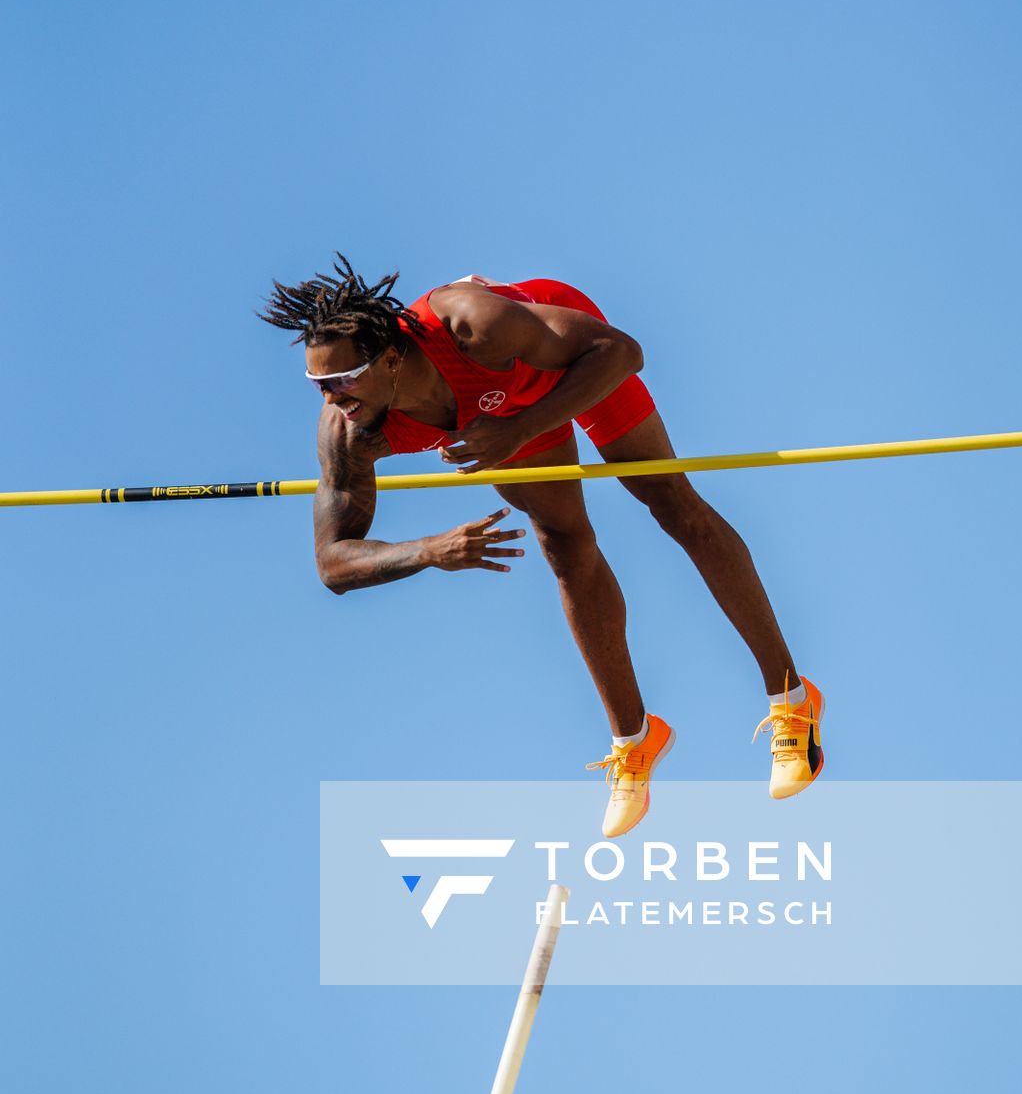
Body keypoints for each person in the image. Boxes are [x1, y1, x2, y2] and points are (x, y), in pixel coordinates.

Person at [261, 256, 824, 835]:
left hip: (565, 364)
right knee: (563, 545)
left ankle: (792, 703)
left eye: (345, 379)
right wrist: (430, 550)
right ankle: (634, 739)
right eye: (319, 385)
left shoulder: (472, 324)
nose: (332, 398)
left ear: (394, 358)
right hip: (500, 413)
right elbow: (332, 561)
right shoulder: (349, 432)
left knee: (671, 505)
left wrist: (519, 429)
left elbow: (623, 352)